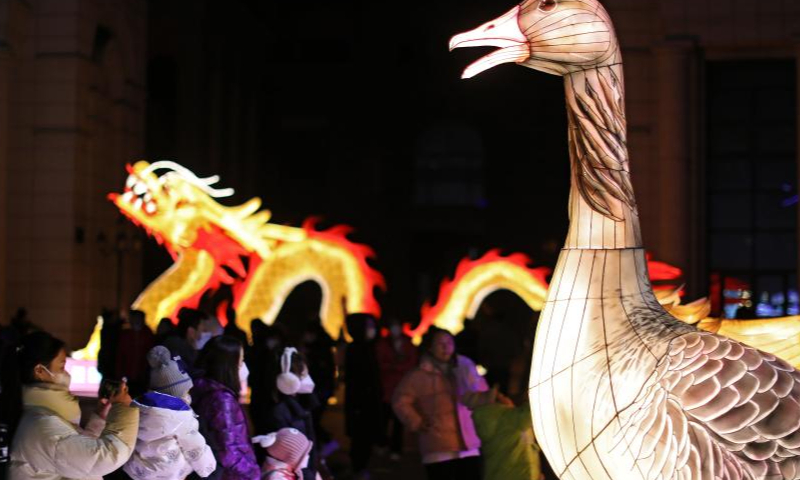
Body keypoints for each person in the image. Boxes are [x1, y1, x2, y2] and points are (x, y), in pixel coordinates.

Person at [8, 331, 139, 480]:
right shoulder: (41, 425)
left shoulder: (41, 415)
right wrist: (123, 409)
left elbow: (77, 455)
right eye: (62, 367)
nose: (67, 373)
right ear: (39, 370)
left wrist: (98, 419)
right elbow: (103, 458)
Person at [393, 327, 488, 480]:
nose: (446, 347)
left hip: (469, 445)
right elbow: (400, 401)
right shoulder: (419, 375)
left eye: (449, 342)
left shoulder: (465, 366)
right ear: (430, 347)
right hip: (438, 447)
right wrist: (417, 422)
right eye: (440, 343)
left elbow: (482, 393)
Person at [124, 346, 217, 480]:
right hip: (170, 473)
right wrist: (207, 468)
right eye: (187, 391)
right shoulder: (181, 416)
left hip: (138, 471)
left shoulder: (139, 408)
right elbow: (194, 446)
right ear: (179, 394)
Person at [192, 335, 259, 479]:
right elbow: (228, 453)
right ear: (228, 366)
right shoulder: (222, 400)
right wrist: (253, 473)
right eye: (240, 363)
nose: (244, 368)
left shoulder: (205, 390)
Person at [260, 347, 320, 480]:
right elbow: (288, 456)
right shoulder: (278, 412)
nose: (307, 378)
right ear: (288, 380)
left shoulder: (300, 402)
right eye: (303, 375)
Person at [461, 387, 542, 480]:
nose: (506, 397)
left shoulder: (494, 421)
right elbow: (530, 413)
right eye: (501, 396)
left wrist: (536, 474)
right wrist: (535, 396)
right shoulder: (505, 418)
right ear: (496, 403)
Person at [344, 313, 382, 480]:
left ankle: (360, 467)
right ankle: (358, 469)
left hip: (366, 402)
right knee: (361, 438)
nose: (372, 330)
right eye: (368, 326)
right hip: (360, 403)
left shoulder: (368, 347)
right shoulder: (356, 349)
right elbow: (357, 380)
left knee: (364, 438)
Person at [375, 319, 417, 460]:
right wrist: (398, 366)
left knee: (399, 421)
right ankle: (382, 444)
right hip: (386, 389)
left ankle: (395, 448)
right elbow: (381, 364)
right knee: (384, 419)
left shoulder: (408, 344)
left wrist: (393, 366)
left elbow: (411, 364)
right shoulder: (383, 344)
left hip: (401, 389)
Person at [163, 308, 222, 373]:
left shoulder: (180, 346)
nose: (206, 335)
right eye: (203, 331)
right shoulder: (176, 349)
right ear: (191, 332)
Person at [115, 309, 155, 396]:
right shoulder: (125, 334)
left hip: (143, 373)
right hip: (129, 372)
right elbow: (121, 354)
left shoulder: (147, 334)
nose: (134, 320)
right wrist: (120, 373)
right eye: (133, 318)